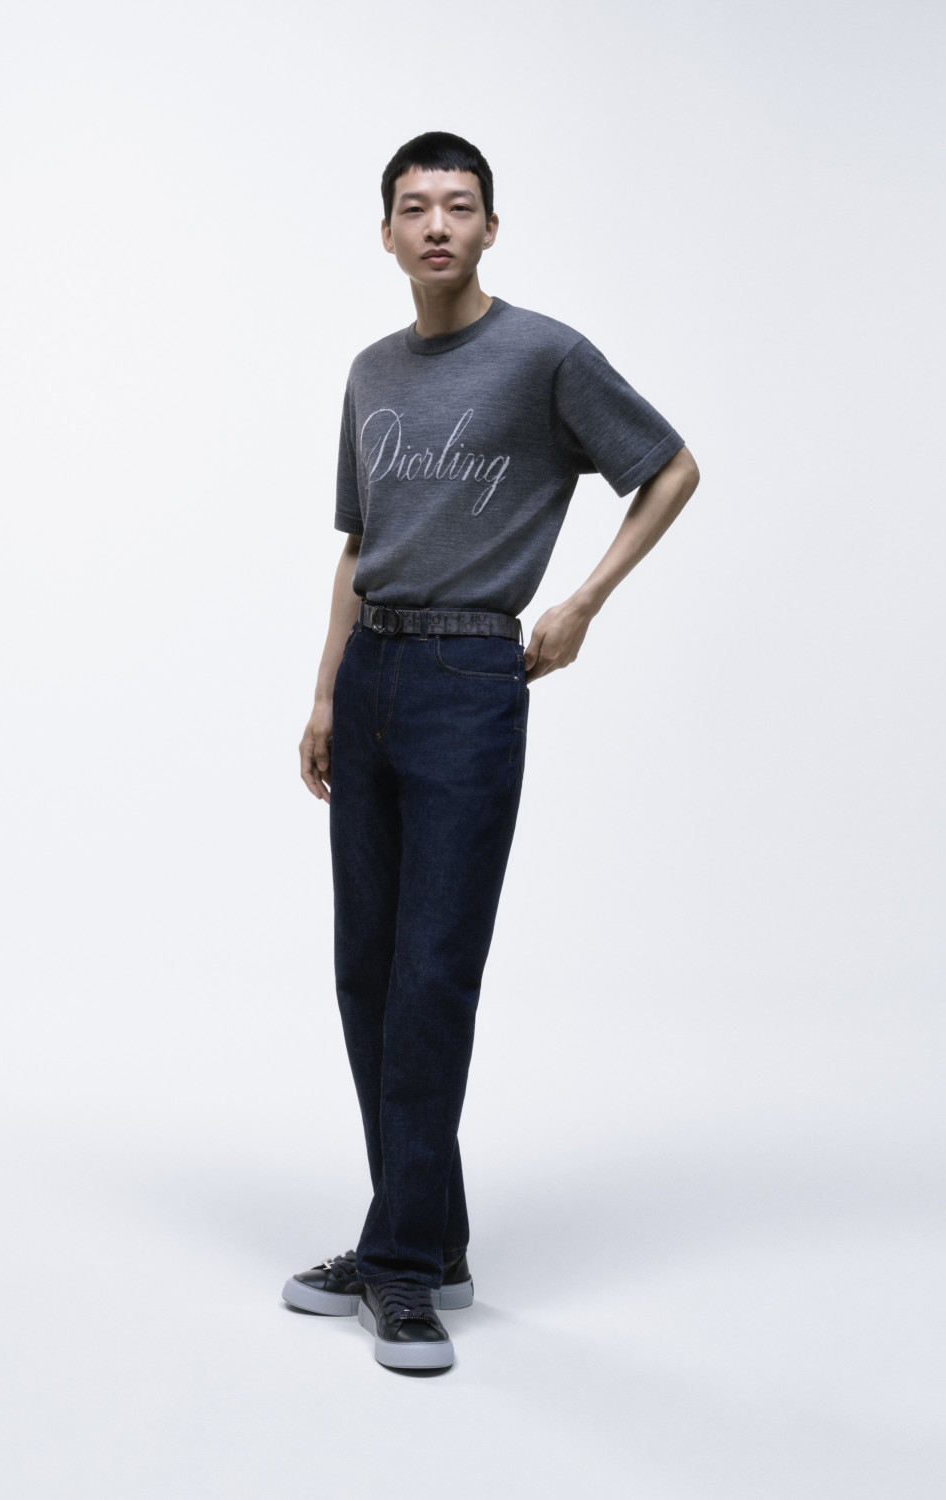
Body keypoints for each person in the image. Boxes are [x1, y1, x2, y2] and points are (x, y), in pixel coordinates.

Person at [284, 131, 700, 1371]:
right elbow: (358, 546)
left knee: (432, 976)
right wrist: (322, 695)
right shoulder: (369, 373)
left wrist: (580, 605)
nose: (437, 226)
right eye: (414, 208)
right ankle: (431, 1236)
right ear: (385, 233)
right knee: (367, 973)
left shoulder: (542, 356)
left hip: (470, 676)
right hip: (371, 672)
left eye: (459, 206)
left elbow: (671, 469)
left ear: (490, 227)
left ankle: (401, 1267)